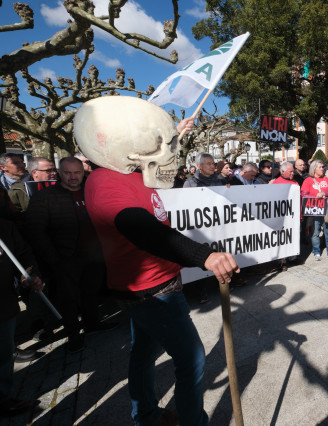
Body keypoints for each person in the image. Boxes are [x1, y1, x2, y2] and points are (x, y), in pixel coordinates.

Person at [75, 99, 239, 426]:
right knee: (191, 358)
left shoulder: (131, 169)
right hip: (152, 291)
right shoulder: (104, 182)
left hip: (154, 285)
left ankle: (147, 416)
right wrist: (203, 256)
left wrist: (173, 134)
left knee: (143, 354)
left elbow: (150, 158)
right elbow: (142, 229)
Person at [26, 157, 116, 353]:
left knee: (91, 292)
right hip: (65, 257)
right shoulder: (45, 197)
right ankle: (73, 335)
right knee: (68, 298)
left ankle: (93, 324)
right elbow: (35, 232)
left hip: (95, 254)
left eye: (77, 172)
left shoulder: (91, 191)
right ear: (60, 173)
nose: (73, 177)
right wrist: (53, 258)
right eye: (68, 173)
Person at [0, 218, 43, 417]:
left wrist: (27, 274)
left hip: (3, 303)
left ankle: (3, 399)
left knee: (3, 353)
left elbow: (23, 253)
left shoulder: (4, 225)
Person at [301, 160, 328, 260]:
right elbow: (304, 194)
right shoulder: (308, 180)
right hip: (314, 210)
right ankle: (316, 251)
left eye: (323, 167)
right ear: (314, 168)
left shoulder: (325, 179)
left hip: (325, 210)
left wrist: (323, 193)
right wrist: (316, 196)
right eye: (320, 167)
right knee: (315, 233)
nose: (322, 169)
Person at [272, 162, 300, 271]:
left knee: (294, 237)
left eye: (293, 171)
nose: (293, 173)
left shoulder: (295, 182)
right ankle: (282, 261)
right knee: (282, 239)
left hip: (295, 215)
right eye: (291, 171)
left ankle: (293, 258)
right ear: (283, 172)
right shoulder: (277, 183)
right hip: (282, 217)